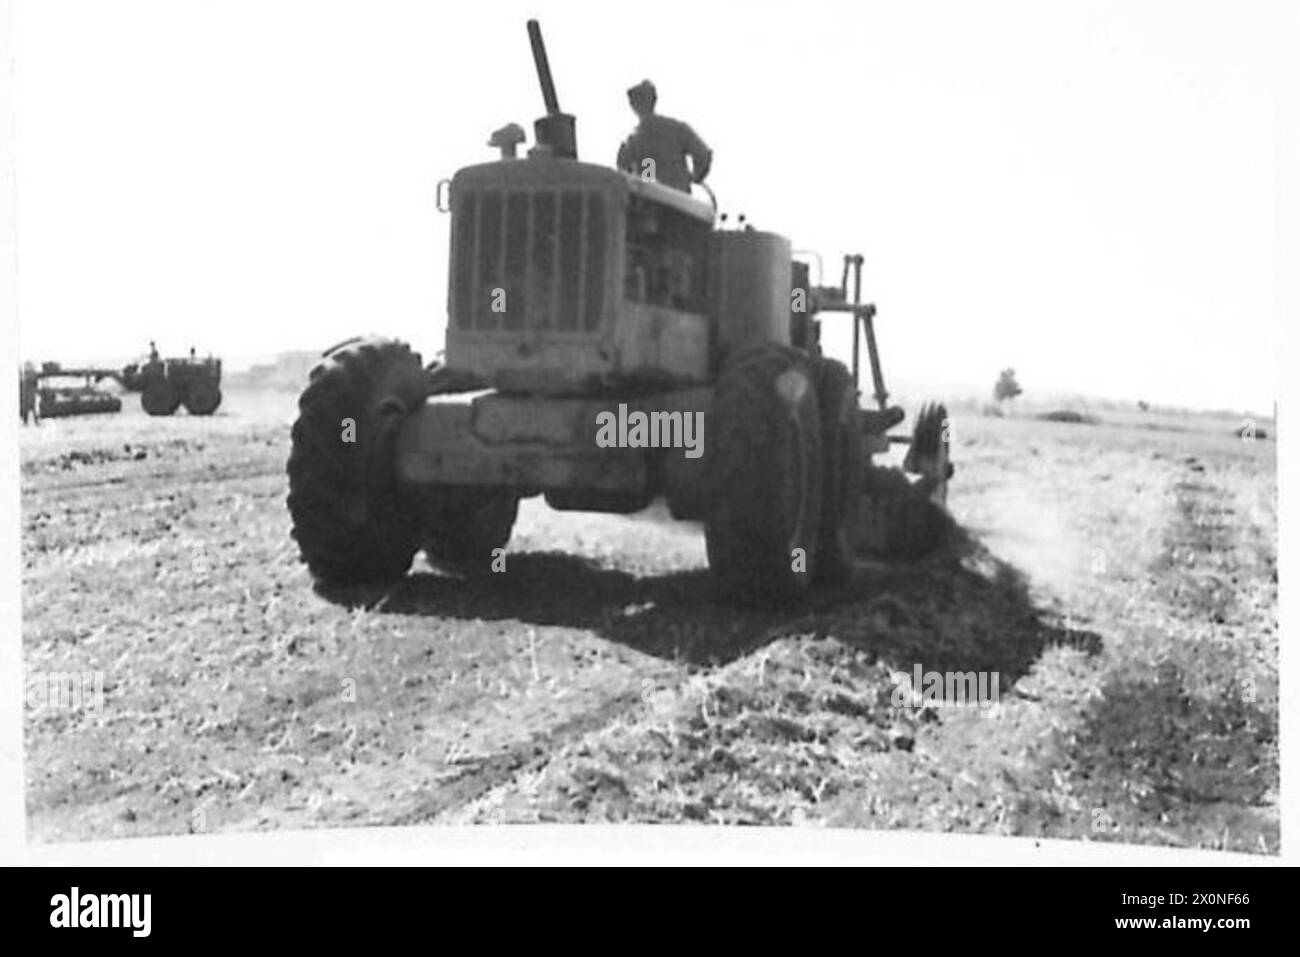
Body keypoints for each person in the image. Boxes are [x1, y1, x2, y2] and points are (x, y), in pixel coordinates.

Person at [616, 80, 712, 194]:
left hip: (651, 200)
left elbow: (624, 172)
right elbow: (703, 155)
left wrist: (696, 176)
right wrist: (696, 176)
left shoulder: (633, 140)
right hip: (675, 200)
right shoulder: (676, 129)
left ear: (633, 105)